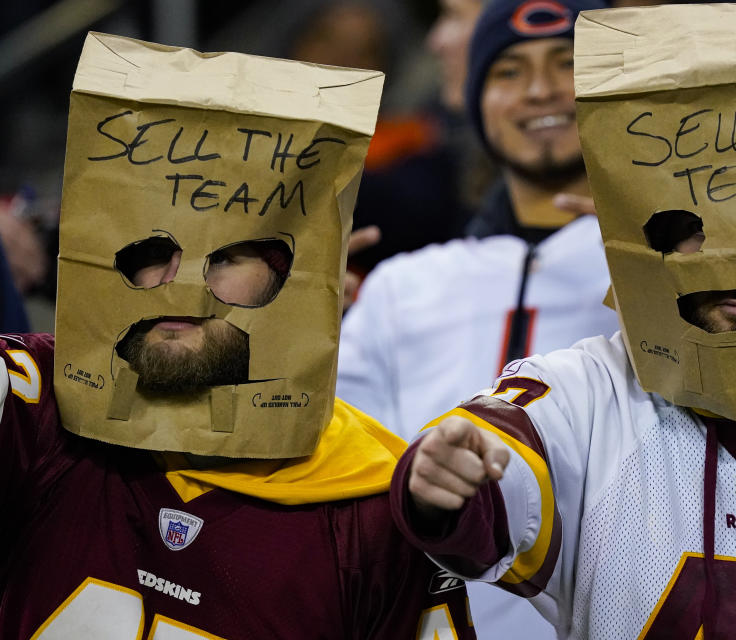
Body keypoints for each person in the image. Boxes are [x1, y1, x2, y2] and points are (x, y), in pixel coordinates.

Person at [389, 1, 736, 638]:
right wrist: (444, 476)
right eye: (686, 230)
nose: (726, 259)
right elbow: (499, 473)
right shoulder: (587, 393)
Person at [0, 34, 474, 639]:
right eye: (155, 247)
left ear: (303, 274)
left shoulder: (375, 510)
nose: (182, 284)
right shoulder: (41, 410)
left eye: (227, 255)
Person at [338, 1, 616, 637]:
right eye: (509, 72)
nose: (542, 90)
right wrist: (287, 336)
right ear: (473, 98)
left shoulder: (685, 269)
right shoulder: (405, 285)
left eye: (569, 65)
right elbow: (338, 477)